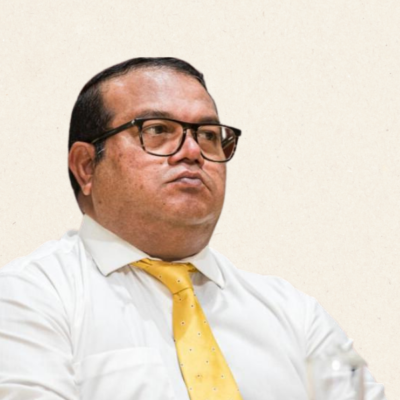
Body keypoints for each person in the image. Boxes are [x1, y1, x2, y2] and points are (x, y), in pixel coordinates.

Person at [0, 57, 386, 400]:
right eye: (157, 130)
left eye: (208, 135)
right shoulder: (27, 296)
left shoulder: (298, 313)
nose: (192, 151)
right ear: (87, 166)